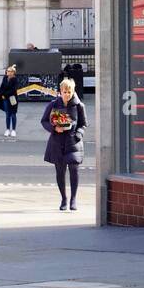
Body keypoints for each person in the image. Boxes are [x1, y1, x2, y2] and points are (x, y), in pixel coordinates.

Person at [41, 77, 87, 211]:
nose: (67, 94)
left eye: (69, 92)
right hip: (57, 143)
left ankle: (73, 199)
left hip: (73, 143)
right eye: (64, 91)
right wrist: (54, 128)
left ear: (73, 92)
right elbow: (44, 121)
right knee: (60, 172)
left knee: (74, 169)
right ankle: (64, 199)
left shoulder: (79, 106)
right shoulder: (53, 105)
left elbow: (83, 124)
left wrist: (78, 133)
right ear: (60, 91)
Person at [0, 64, 20, 137]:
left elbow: (13, 90)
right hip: (5, 99)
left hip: (12, 99)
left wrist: (4, 94)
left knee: (13, 114)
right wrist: (0, 94)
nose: (8, 72)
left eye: (10, 71)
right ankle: (7, 129)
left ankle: (13, 130)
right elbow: (2, 87)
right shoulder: (4, 78)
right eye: (7, 71)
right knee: (7, 114)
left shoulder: (15, 79)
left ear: (13, 72)